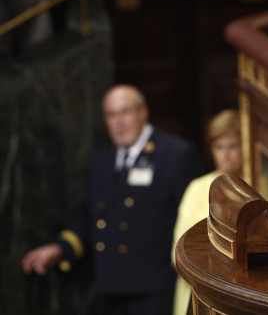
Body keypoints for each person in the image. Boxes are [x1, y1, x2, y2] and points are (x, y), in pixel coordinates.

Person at [21, 84, 203, 315]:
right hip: (111, 287)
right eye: (111, 114)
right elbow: (89, 215)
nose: (118, 121)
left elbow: (194, 222)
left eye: (125, 112)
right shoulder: (101, 160)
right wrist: (61, 248)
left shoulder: (175, 155)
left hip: (156, 289)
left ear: (143, 112)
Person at [171, 109, 242, 315]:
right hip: (198, 292)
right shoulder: (197, 187)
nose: (225, 154)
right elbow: (178, 250)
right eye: (219, 147)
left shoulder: (260, 181)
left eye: (232, 146)